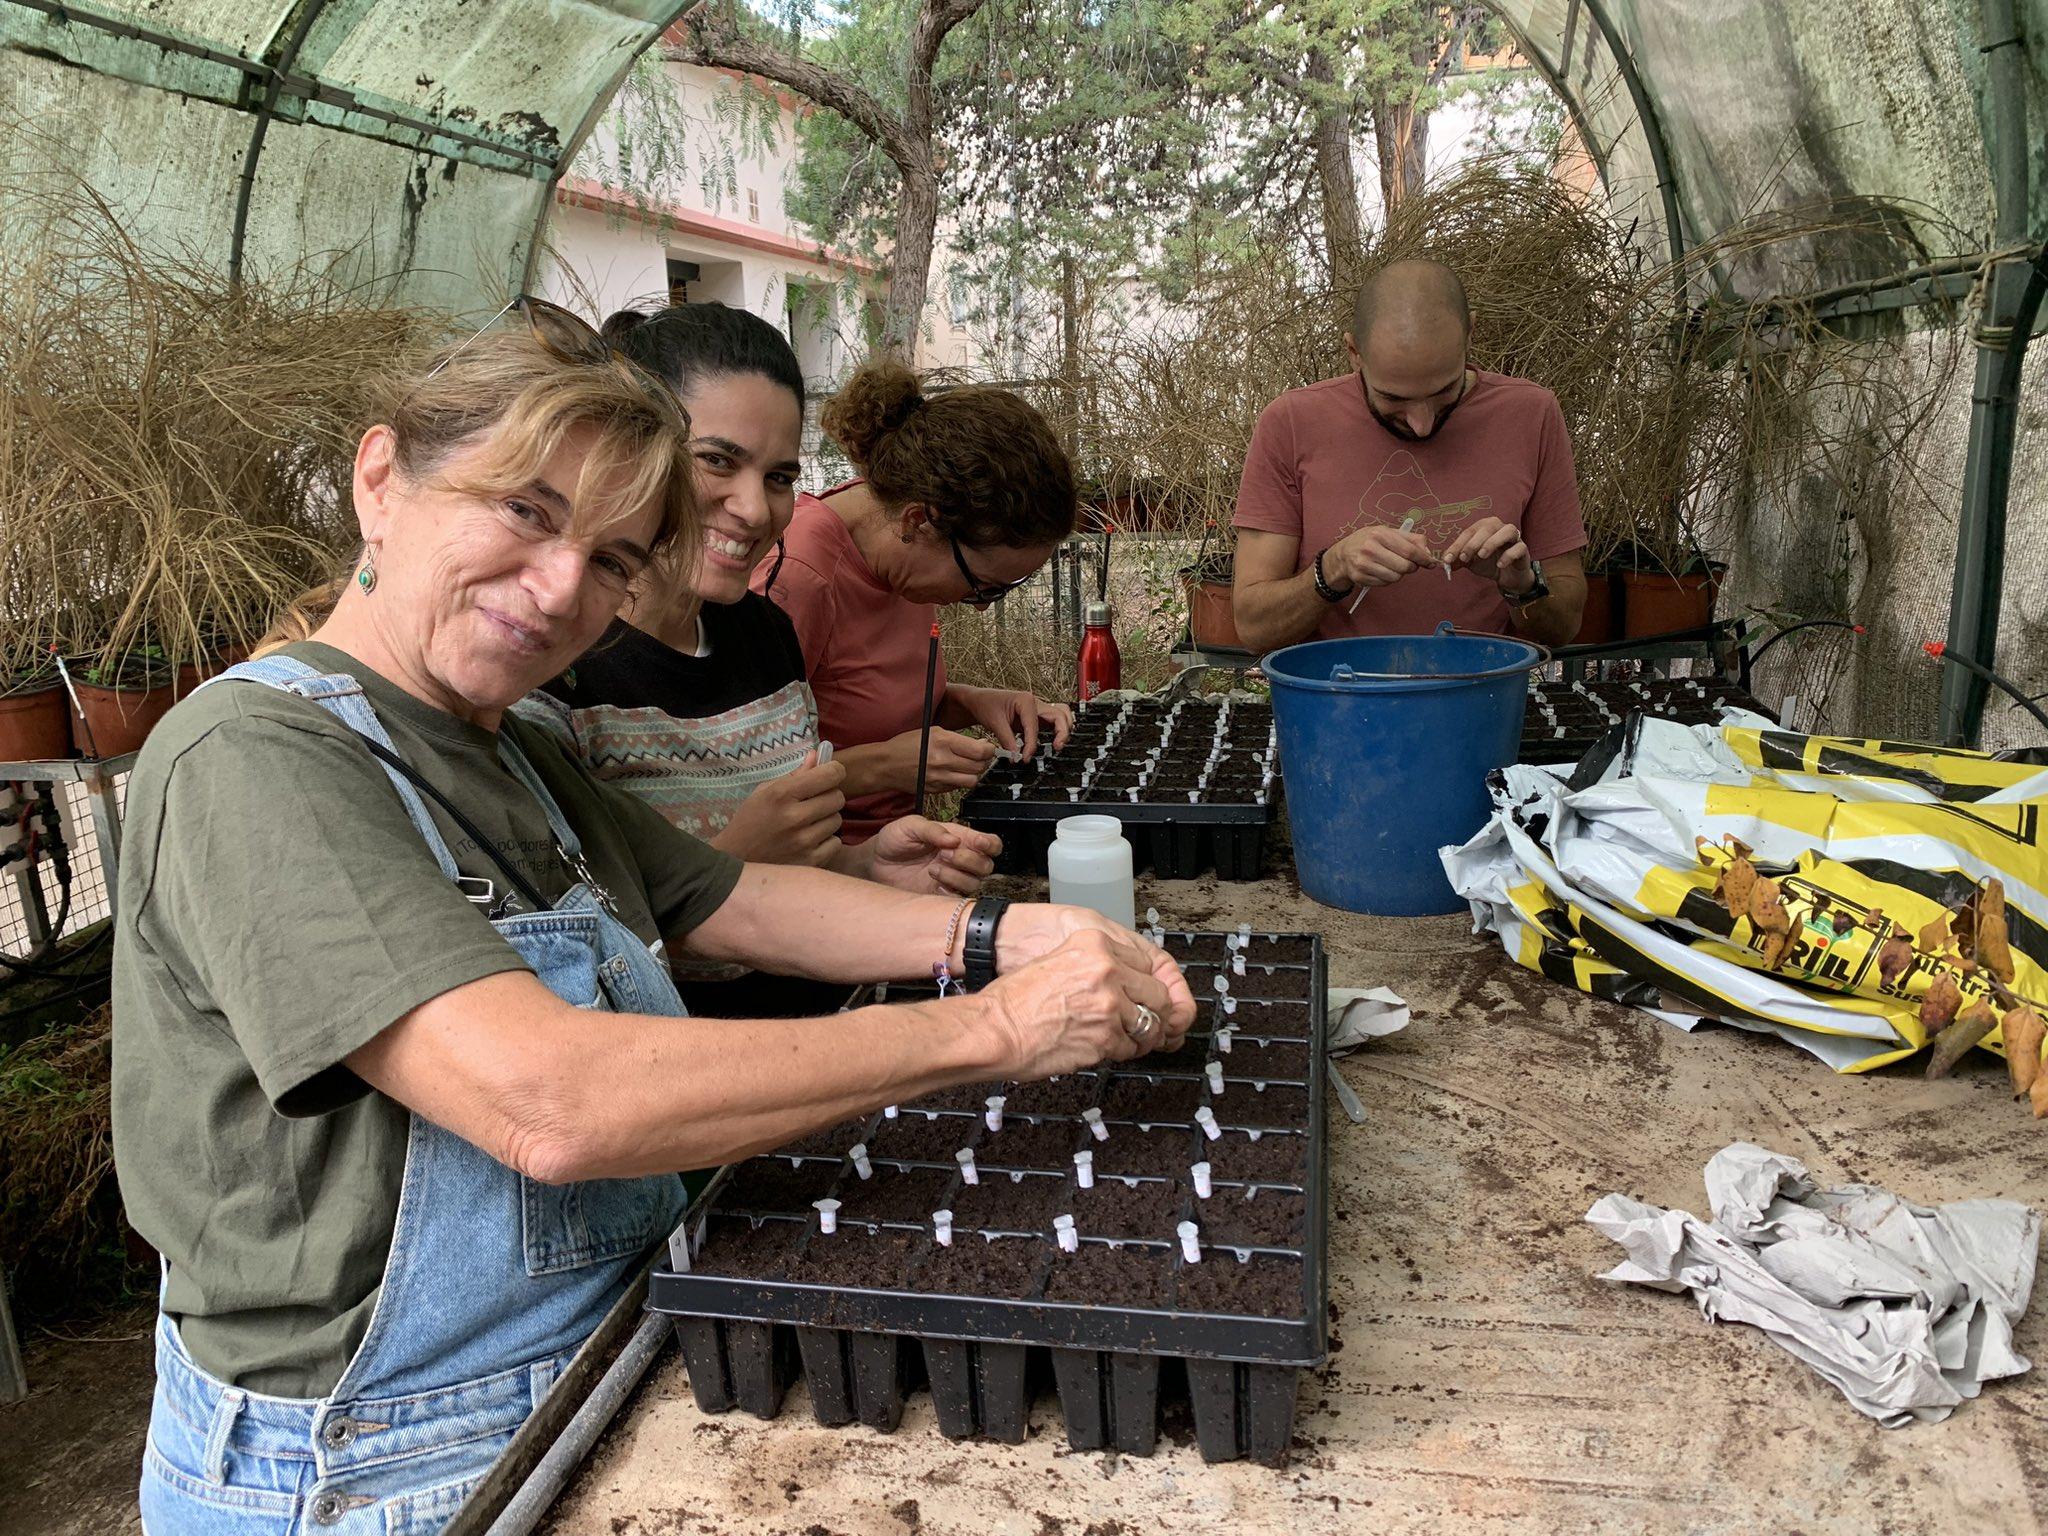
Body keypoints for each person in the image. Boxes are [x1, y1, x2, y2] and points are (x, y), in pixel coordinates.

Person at [111, 303, 1195, 1534]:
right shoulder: (253, 758)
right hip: (379, 1461)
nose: (559, 588)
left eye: (613, 559)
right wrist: (995, 1029)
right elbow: (549, 1104)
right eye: (525, 512)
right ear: (381, 482)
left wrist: (999, 938)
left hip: (589, 1362)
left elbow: (730, 897)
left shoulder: (508, 747)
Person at [522, 302, 1001, 1017]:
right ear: (633, 450)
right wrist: (731, 863)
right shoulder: (552, 674)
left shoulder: (765, 632)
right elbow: (566, 977)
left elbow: (800, 873)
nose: (754, 509)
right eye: (717, 460)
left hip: (828, 1023)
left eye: (779, 477)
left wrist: (868, 867)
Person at [751, 361, 1078, 840]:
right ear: (918, 522)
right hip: (816, 858)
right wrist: (883, 766)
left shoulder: (900, 548)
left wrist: (975, 703)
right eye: (983, 585)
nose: (981, 605)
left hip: (896, 845)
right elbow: (745, 785)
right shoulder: (795, 580)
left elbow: (866, 704)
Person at [1231, 259, 1589, 652]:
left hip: (1483, 683)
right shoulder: (1292, 423)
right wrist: (1333, 569)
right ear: (1354, 352)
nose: (1422, 425)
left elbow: (1564, 626)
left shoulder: (1531, 415)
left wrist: (1521, 585)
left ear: (1470, 333)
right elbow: (1255, 628)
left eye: (1444, 390)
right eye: (1394, 398)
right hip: (1335, 685)